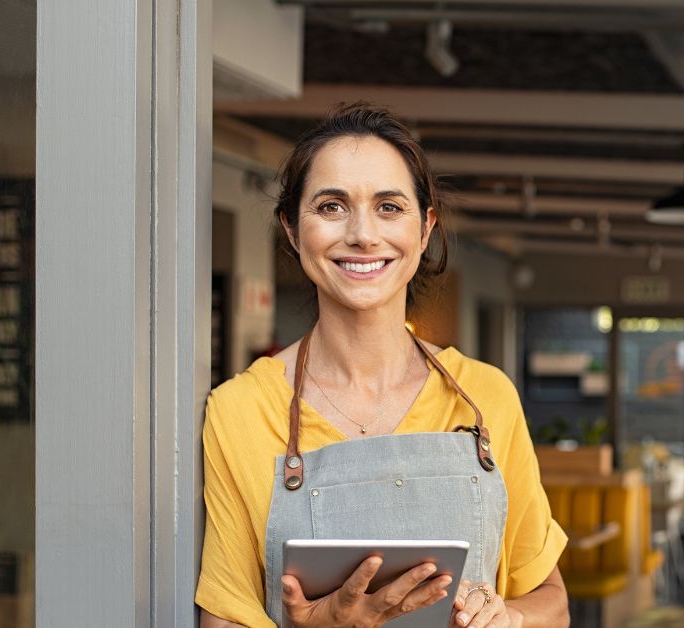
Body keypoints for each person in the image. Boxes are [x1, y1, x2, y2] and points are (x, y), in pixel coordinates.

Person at [196, 104, 568, 628]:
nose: (363, 235)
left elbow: (551, 600)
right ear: (292, 229)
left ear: (424, 228)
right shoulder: (241, 410)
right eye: (331, 206)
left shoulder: (485, 396)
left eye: (389, 207)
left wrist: (512, 619)